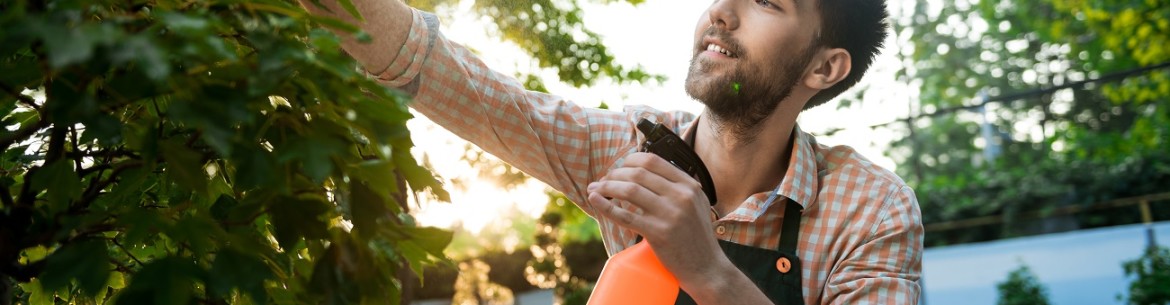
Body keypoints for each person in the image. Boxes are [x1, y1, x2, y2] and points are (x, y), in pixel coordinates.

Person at [303, 0, 923, 304]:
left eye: (766, 1)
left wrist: (706, 271)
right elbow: (468, 87)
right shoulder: (629, 146)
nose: (721, 13)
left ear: (825, 66)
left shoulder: (871, 209)